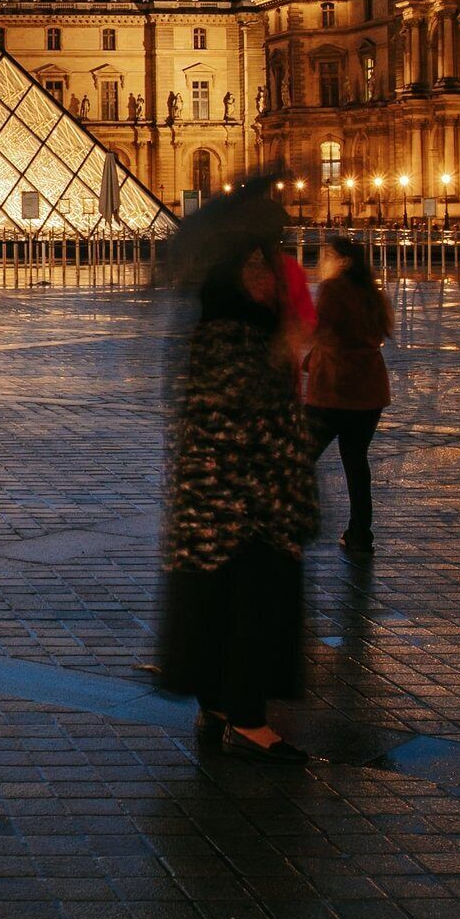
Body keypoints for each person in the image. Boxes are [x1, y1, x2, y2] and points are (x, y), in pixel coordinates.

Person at [154, 226, 318, 762]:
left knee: (215, 606)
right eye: (261, 276)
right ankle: (248, 719)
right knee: (250, 610)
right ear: (239, 282)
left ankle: (218, 705)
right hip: (243, 507)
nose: (272, 285)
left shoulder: (217, 332)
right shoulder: (238, 338)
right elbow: (253, 425)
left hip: (214, 505)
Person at [300, 237, 392, 562]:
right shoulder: (372, 292)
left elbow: (320, 328)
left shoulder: (333, 290)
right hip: (370, 388)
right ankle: (360, 534)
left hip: (335, 387)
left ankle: (290, 526)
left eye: (326, 255)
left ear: (342, 261)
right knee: (355, 461)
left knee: (299, 456)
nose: (320, 261)